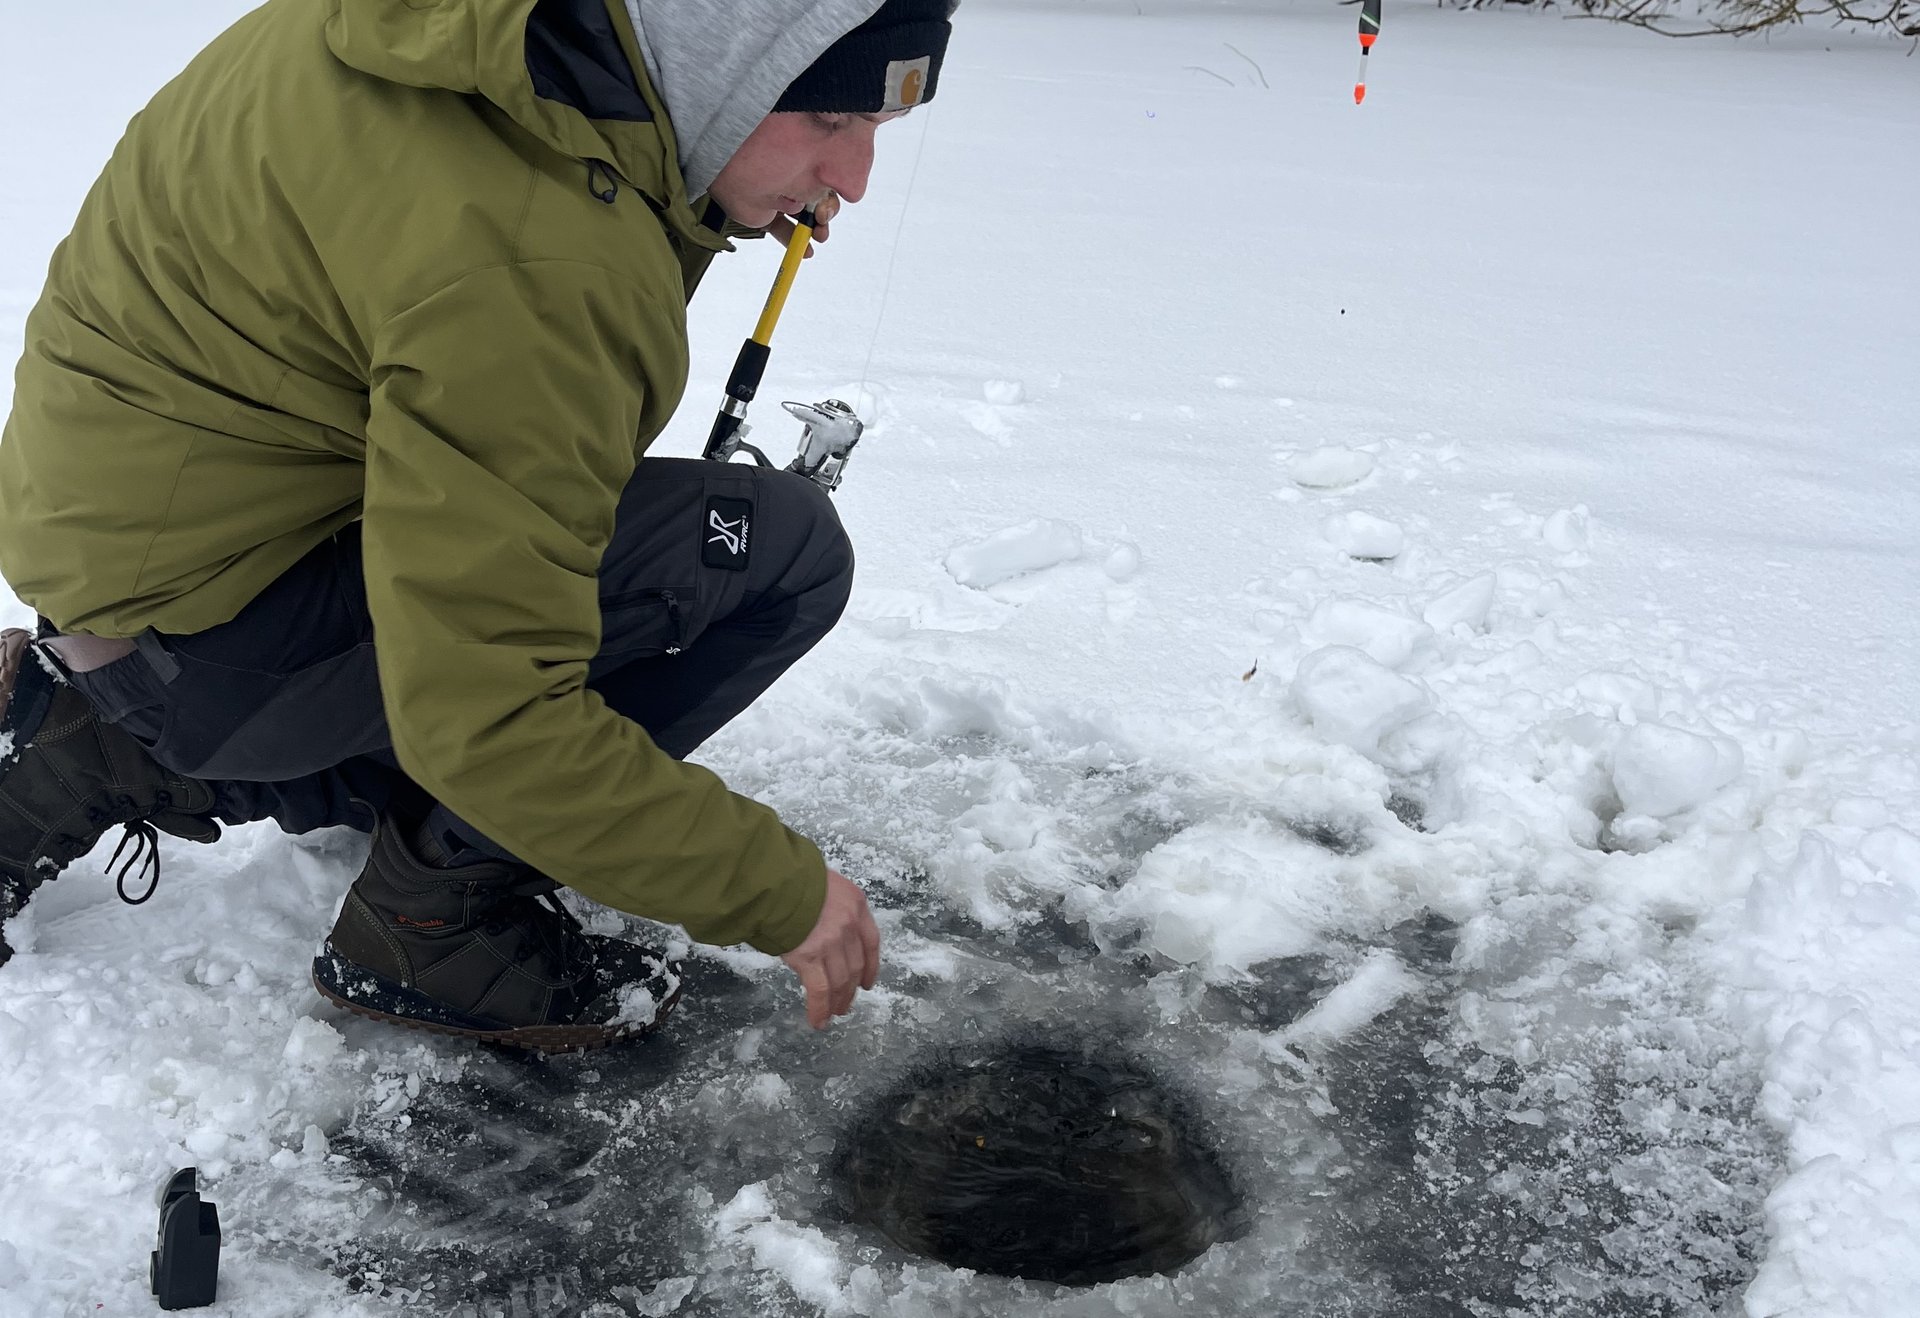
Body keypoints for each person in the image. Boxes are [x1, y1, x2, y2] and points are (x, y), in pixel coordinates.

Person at [0, 0, 956, 1051]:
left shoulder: (470, 35)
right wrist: (778, 890)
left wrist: (705, 181)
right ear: (716, 56)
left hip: (130, 557)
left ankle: (99, 728)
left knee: (539, 535)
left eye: (879, 126)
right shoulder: (536, 254)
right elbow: (491, 717)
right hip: (213, 627)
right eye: (827, 117)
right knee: (781, 549)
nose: (855, 178)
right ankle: (429, 923)